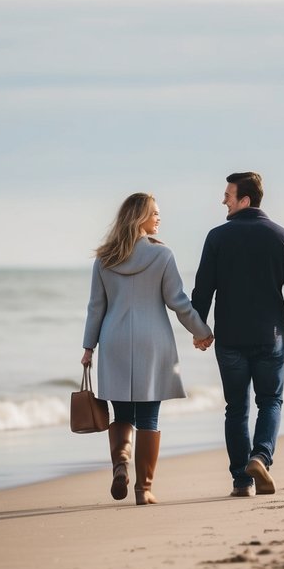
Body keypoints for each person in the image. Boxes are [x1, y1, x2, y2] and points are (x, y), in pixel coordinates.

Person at [82, 192, 213, 505]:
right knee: (149, 419)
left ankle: (120, 464)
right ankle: (144, 489)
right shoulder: (162, 255)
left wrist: (89, 347)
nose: (159, 218)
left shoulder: (105, 257)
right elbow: (178, 302)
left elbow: (95, 308)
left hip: (113, 341)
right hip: (152, 344)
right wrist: (202, 331)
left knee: (122, 413)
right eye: (154, 213)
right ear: (139, 217)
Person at [192, 172, 284, 497]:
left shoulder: (217, 237)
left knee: (236, 408)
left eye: (228, 194)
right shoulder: (282, 237)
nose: (223, 200)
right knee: (270, 401)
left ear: (244, 199)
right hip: (269, 338)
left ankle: (241, 482)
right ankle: (260, 456)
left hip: (230, 339)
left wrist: (199, 329)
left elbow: (203, 290)